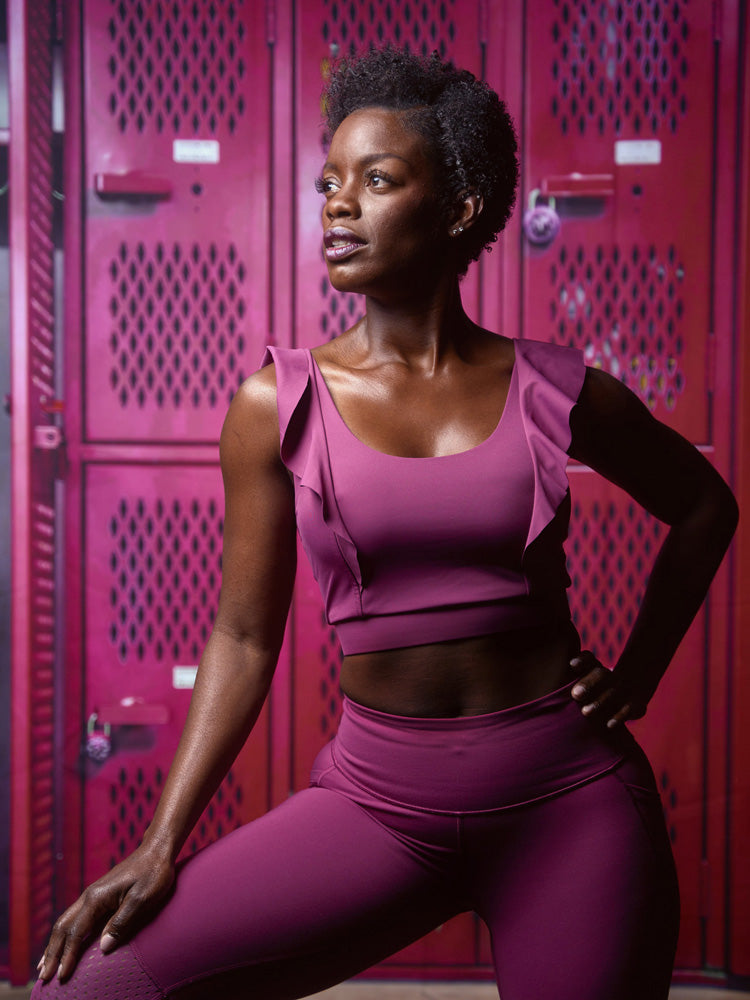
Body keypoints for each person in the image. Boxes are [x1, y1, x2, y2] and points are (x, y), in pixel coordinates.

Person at [33, 47, 737, 1000]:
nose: (337, 204)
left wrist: (639, 677)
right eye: (330, 182)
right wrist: (159, 845)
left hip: (570, 799)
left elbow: (704, 506)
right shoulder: (274, 403)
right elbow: (243, 635)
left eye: (376, 181)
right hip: (378, 801)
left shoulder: (561, 390)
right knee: (91, 990)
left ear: (457, 209)